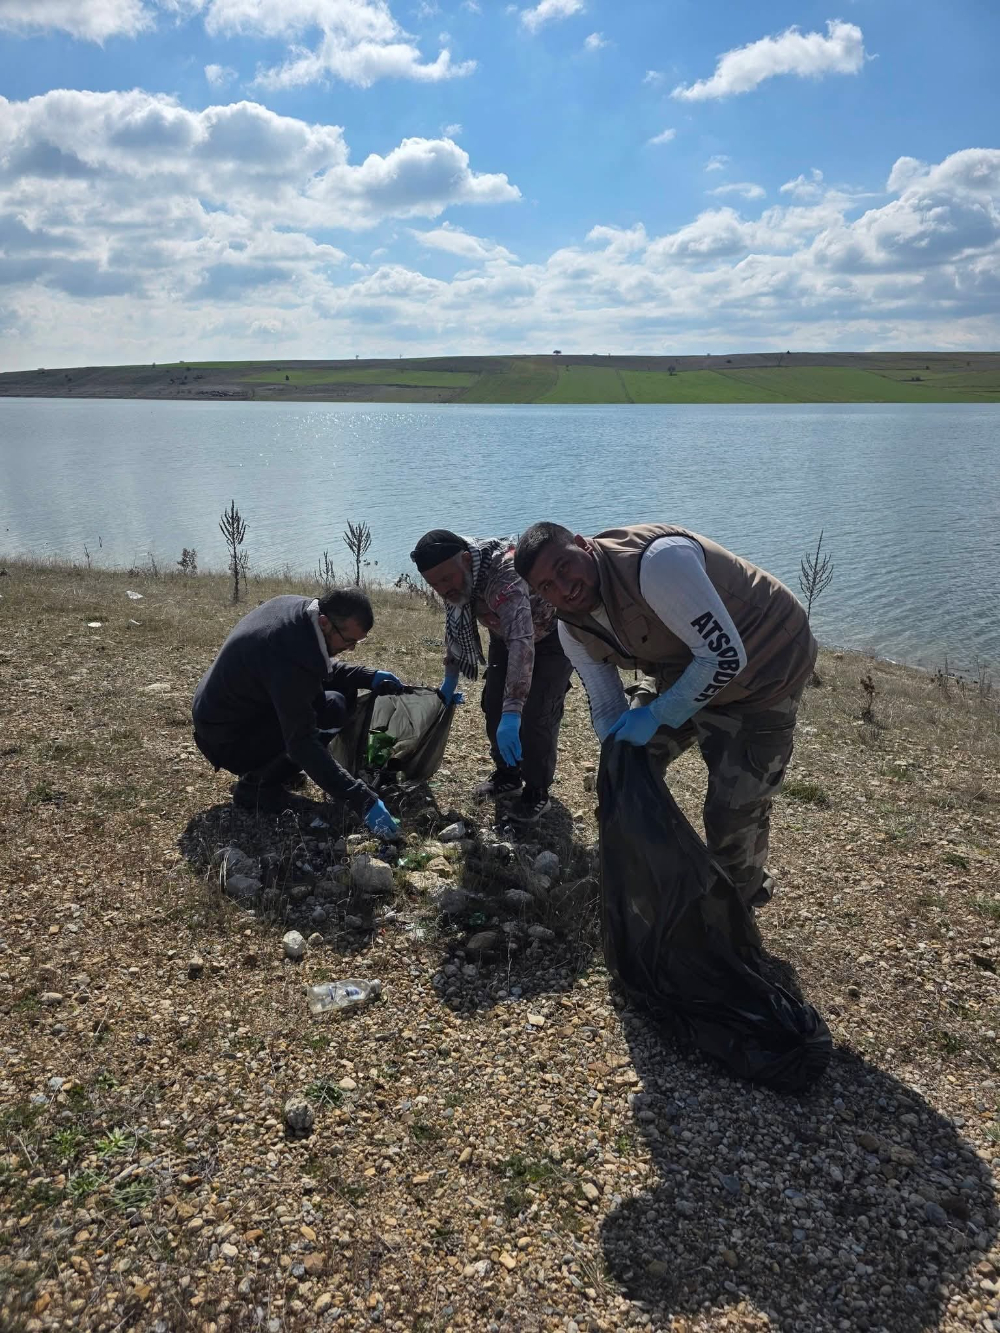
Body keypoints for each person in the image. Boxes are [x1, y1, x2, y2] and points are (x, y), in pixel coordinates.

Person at [514, 522, 817, 907]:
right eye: (546, 587)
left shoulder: (656, 565)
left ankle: (736, 904)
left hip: (765, 665)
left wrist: (656, 715)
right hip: (685, 665)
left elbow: (725, 657)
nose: (563, 588)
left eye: (562, 567)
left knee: (732, 812)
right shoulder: (571, 630)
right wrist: (620, 752)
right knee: (620, 768)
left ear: (581, 544)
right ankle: (649, 873)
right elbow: (607, 708)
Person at [192, 587, 404, 836]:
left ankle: (274, 768)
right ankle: (257, 788)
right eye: (348, 641)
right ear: (325, 623)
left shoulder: (301, 611)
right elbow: (302, 742)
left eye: (357, 642)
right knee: (331, 709)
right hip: (226, 738)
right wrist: (362, 800)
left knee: (343, 693)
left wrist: (367, 677)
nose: (351, 649)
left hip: (234, 714)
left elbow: (318, 664)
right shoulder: (286, 656)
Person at [410, 529, 572, 822]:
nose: (443, 588)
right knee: (494, 703)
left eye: (447, 579)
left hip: (551, 636)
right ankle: (508, 775)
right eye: (434, 584)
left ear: (466, 559)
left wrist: (515, 710)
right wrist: (450, 678)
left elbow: (522, 642)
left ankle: (537, 790)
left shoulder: (504, 577)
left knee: (536, 713)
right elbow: (454, 621)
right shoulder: (454, 578)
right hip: (502, 634)